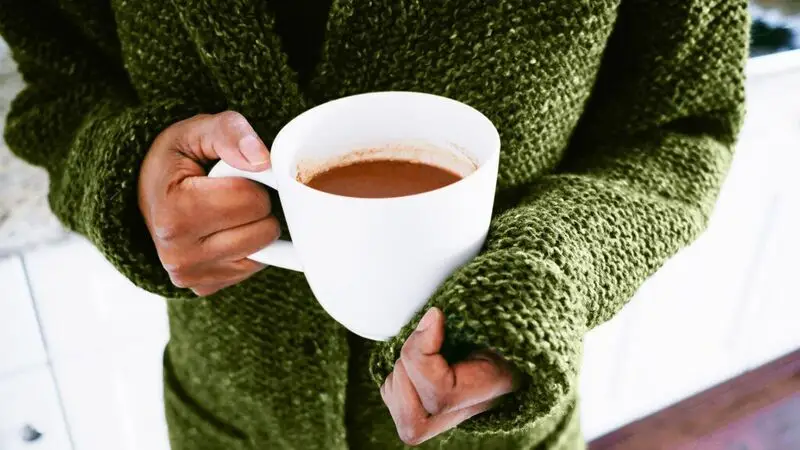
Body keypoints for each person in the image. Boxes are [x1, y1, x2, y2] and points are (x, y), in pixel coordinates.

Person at [0, 1, 748, 449]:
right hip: (228, 420)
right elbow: (61, 85)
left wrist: (547, 271)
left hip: (499, 434)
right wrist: (127, 173)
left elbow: (683, 126)